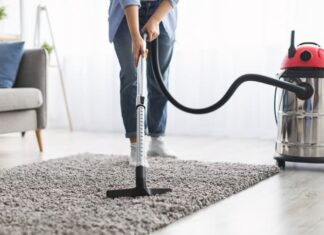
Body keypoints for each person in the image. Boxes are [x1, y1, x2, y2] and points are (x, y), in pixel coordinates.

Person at [108, 0, 179, 166]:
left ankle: (157, 138)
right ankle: (136, 144)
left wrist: (155, 19)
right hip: (127, 12)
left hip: (161, 9)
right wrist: (135, 35)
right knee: (131, 77)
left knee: (160, 78)